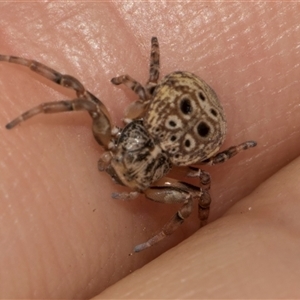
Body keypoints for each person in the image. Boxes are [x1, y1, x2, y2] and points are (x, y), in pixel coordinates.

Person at [0, 3, 299, 299]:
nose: (116, 171)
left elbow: (198, 189)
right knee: (82, 96)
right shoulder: (168, 158)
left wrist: (169, 233)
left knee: (87, 100)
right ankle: (17, 67)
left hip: (188, 115)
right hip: (190, 119)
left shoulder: (155, 148)